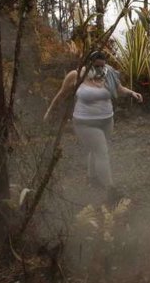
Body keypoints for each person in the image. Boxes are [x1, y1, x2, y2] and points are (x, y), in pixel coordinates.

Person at [44, 51, 143, 202]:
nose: (99, 69)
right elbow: (62, 94)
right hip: (85, 122)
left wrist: (132, 93)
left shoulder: (109, 72)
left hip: (107, 119)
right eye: (96, 66)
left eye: (101, 66)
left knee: (96, 150)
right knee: (101, 151)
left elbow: (119, 88)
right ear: (88, 63)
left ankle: (92, 178)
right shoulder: (76, 75)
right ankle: (111, 190)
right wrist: (50, 111)